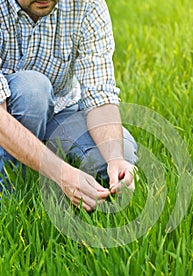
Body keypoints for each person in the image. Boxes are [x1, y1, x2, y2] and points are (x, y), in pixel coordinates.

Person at [0, 0, 138, 211]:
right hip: (8, 112)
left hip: (60, 109)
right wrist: (60, 173)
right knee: (33, 90)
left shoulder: (88, 5)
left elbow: (99, 94)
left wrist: (115, 159)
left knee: (121, 154)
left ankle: (39, 153)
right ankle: (11, 193)